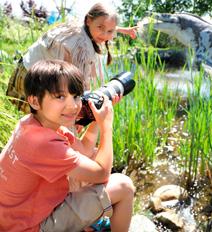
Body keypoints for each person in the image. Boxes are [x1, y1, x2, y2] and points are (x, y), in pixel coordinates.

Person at [0, 59, 135, 232]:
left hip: (13, 218)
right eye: (60, 97)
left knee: (93, 155)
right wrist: (106, 127)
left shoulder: (32, 124)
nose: (73, 106)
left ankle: (89, 220)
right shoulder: (43, 144)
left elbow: (85, 151)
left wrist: (95, 120)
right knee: (123, 186)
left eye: (76, 96)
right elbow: (101, 174)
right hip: (30, 227)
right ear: (34, 101)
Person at [6, 2, 137, 112]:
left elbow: (105, 24)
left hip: (28, 69)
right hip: (31, 80)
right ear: (88, 20)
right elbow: (77, 84)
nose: (104, 34)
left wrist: (123, 30)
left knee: (46, 125)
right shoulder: (80, 45)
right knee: (47, 124)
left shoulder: (83, 27)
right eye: (100, 28)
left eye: (110, 31)